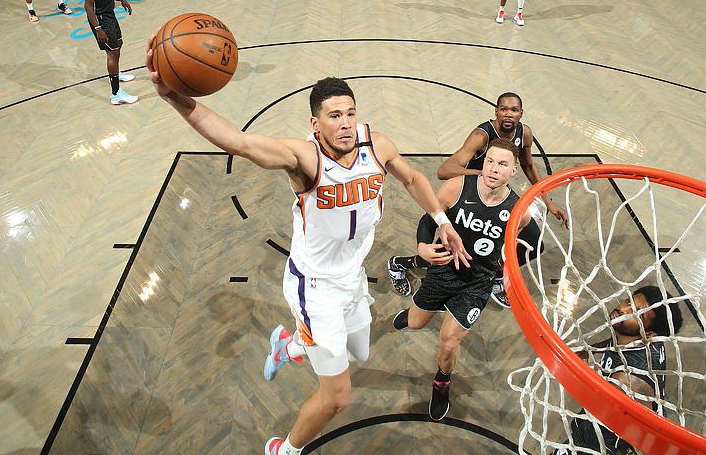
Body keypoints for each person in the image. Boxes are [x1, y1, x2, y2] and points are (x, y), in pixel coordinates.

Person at [143, 70, 468, 455]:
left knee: (358, 351)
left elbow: (413, 178)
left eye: (350, 113)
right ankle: (285, 449)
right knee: (336, 398)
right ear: (315, 123)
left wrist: (443, 221)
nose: (345, 123)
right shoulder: (303, 158)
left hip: (352, 276)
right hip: (313, 287)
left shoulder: (377, 145)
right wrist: (174, 97)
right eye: (334, 116)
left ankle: (288, 346)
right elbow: (239, 142)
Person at [391, 138, 531, 421]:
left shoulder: (520, 212)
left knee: (449, 341)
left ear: (514, 170)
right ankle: (415, 312)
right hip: (444, 271)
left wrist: (504, 271)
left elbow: (515, 245)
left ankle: (442, 382)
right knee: (417, 322)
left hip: (476, 283)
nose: (493, 169)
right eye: (489, 161)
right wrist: (422, 246)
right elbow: (430, 218)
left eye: (502, 164)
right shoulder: (457, 187)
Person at [388, 92, 568, 307]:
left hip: (497, 199)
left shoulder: (524, 133)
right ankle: (399, 264)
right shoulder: (481, 135)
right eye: (503, 109)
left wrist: (548, 202)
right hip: (468, 198)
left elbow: (528, 166)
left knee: (534, 243)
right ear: (496, 111)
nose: (508, 114)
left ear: (521, 113)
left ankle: (497, 275)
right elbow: (445, 170)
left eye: (514, 110)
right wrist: (482, 175)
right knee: (446, 256)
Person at [554, 285, 683, 455]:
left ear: (649, 333)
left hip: (603, 446)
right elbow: (615, 341)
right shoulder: (639, 336)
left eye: (637, 313)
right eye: (629, 301)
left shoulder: (627, 381)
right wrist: (588, 351)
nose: (623, 309)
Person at [83, 0, 137, 105]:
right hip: (100, 18)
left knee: (118, 43)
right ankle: (116, 94)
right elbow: (87, 5)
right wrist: (98, 28)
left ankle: (116, 74)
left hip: (110, 14)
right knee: (112, 52)